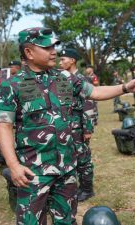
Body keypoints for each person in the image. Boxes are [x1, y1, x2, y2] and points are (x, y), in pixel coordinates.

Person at [0, 27, 135, 225]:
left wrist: (125, 87)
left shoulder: (64, 77)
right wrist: (13, 165)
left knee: (66, 220)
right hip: (34, 172)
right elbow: (4, 125)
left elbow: (96, 92)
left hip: (66, 169)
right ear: (28, 52)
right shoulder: (13, 85)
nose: (53, 51)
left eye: (54, 46)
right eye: (46, 47)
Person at [58, 48, 96, 203]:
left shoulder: (81, 79)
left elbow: (88, 104)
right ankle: (74, 187)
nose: (60, 62)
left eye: (63, 59)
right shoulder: (62, 78)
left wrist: (88, 129)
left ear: (72, 61)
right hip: (66, 126)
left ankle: (87, 189)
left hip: (79, 126)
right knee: (70, 157)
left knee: (83, 158)